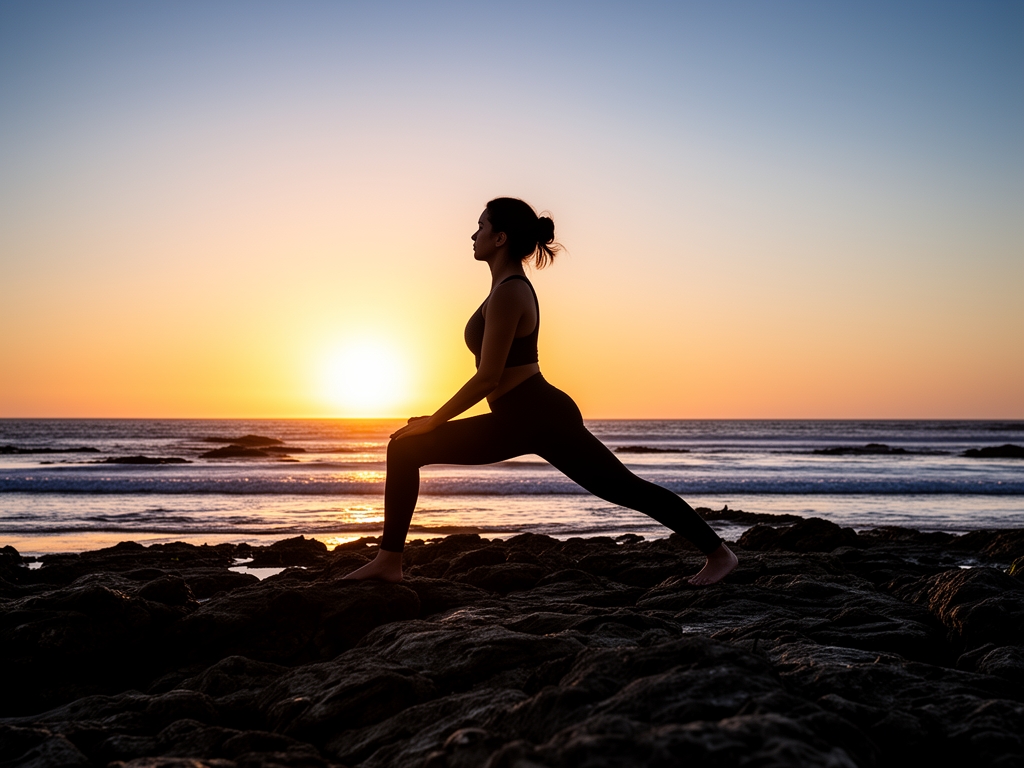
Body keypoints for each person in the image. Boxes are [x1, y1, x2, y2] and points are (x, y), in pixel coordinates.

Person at [345, 197, 738, 585]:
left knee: (625, 488)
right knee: (404, 448)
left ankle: (720, 556)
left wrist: (434, 420)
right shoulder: (502, 288)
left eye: (481, 226)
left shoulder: (510, 292)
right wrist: (432, 422)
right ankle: (389, 561)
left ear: (499, 238)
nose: (473, 233)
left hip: (538, 415)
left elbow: (488, 378)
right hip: (520, 417)